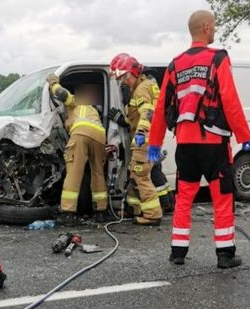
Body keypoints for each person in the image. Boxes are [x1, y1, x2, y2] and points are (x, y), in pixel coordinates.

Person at [148, 10, 250, 268]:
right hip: (214, 143)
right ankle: (225, 255)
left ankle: (178, 252)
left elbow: (163, 105)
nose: (215, 30)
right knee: (222, 198)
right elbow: (229, 98)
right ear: (207, 28)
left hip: (185, 143)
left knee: (184, 197)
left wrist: (154, 141)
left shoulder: (175, 64)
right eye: (214, 26)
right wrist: (244, 135)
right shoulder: (217, 58)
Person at [109, 54, 163, 225]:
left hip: (143, 138)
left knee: (140, 174)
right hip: (149, 136)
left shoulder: (141, 89)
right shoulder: (147, 85)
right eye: (120, 79)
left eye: (125, 77)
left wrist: (140, 133)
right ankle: (135, 208)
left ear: (134, 72)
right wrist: (123, 120)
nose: (123, 81)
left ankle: (153, 215)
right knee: (135, 172)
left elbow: (148, 112)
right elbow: (137, 115)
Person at [47, 74, 108, 224]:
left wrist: (53, 82)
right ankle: (101, 211)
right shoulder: (93, 108)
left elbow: (61, 94)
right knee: (98, 172)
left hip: (81, 133)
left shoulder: (75, 101)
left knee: (74, 172)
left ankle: (68, 213)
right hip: (100, 136)